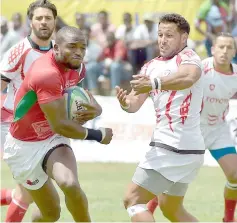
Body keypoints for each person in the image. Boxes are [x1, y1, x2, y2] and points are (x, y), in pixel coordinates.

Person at [3, 25, 113, 222]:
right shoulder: (46, 73)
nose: (78, 52)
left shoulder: (76, 67)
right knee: (51, 213)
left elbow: (77, 99)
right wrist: (99, 135)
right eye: (72, 47)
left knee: (70, 184)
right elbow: (61, 124)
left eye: (82, 47)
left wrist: (95, 109)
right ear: (56, 48)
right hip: (23, 146)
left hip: (53, 138)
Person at [116, 13, 205, 222]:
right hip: (186, 149)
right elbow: (134, 104)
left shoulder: (188, 57)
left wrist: (154, 83)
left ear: (184, 38)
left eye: (169, 35)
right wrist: (124, 102)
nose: (163, 40)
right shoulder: (150, 66)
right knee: (172, 210)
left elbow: (188, 77)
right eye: (160, 35)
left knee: (132, 200)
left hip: (172, 147)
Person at [147, 33, 237, 222]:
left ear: (234, 51)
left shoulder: (236, 74)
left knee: (235, 175)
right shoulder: (201, 68)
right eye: (221, 47)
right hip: (194, 130)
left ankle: (228, 219)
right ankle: (147, 210)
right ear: (212, 49)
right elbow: (178, 81)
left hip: (219, 130)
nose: (225, 51)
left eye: (229, 47)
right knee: (172, 175)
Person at [0, 0, 57, 222]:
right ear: (30, 22)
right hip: (14, 125)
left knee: (27, 191)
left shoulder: (60, 51)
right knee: (27, 192)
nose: (43, 22)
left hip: (44, 128)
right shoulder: (19, 51)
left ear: (54, 22)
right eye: (39, 18)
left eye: (48, 18)